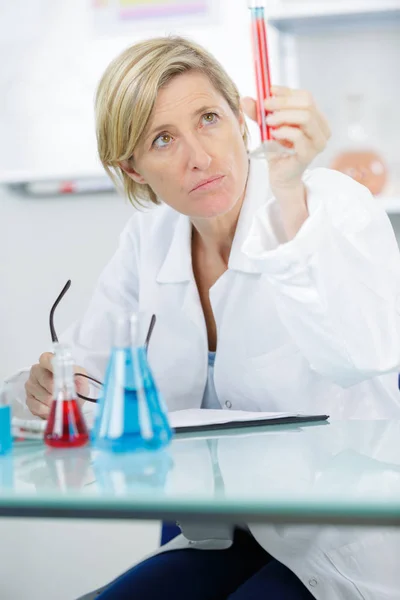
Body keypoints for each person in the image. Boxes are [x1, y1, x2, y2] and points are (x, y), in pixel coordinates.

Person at [7, 36, 400, 599]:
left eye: (209, 119)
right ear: (133, 167)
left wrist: (288, 194)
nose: (199, 156)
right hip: (223, 538)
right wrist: (45, 388)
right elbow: (88, 378)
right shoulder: (150, 238)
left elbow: (363, 355)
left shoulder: (330, 203)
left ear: (241, 121)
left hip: (343, 545)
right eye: (163, 139)